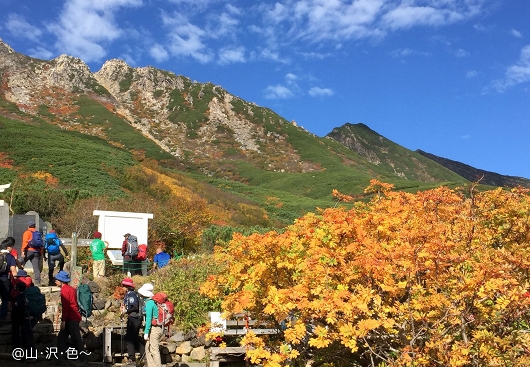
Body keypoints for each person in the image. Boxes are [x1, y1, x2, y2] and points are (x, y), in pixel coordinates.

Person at [55, 270, 86, 361]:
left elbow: (66, 307)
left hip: (70, 317)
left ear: (62, 281)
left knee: (74, 338)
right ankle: (61, 357)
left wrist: (63, 320)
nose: (55, 281)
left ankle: (82, 358)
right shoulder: (71, 289)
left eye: (57, 280)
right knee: (64, 338)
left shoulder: (64, 291)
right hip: (74, 316)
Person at [139, 283, 162, 367]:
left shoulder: (149, 303)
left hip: (154, 328)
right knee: (147, 348)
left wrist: (146, 332)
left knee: (154, 349)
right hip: (156, 328)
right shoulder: (153, 301)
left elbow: (149, 319)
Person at [120, 278, 143, 365]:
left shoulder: (132, 294)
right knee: (134, 338)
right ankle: (143, 353)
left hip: (134, 319)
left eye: (124, 286)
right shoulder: (132, 294)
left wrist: (126, 311)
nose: (123, 288)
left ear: (127, 287)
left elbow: (135, 307)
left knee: (129, 339)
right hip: (135, 318)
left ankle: (131, 359)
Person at [11, 281, 36, 358]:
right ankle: (28, 354)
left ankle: (17, 351)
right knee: (27, 336)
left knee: (18, 335)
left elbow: (17, 308)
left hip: (18, 318)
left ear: (17, 288)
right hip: (27, 318)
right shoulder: (28, 297)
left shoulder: (18, 298)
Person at [21, 220, 43, 286]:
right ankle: (37, 283)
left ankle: (20, 278)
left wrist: (22, 251)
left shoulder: (27, 232)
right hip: (37, 252)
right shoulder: (38, 233)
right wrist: (41, 253)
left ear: (28, 226)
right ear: (35, 226)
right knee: (36, 268)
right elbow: (41, 244)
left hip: (29, 251)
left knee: (20, 263)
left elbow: (25, 242)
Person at [0, 243, 17, 321]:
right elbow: (13, 270)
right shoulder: (10, 257)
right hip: (4, 280)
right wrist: (16, 281)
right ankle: (2, 317)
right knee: (5, 299)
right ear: (8, 248)